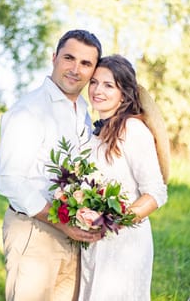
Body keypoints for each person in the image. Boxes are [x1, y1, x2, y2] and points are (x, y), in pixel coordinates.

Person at [0, 29, 103, 301]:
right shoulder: (29, 111)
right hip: (35, 231)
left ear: (93, 71)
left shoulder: (83, 111)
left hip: (71, 234)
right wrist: (63, 223)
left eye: (86, 63)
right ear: (54, 57)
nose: (75, 69)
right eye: (69, 58)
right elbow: (11, 182)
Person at [78, 54, 168, 301]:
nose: (97, 90)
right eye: (94, 82)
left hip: (125, 244)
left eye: (109, 85)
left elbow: (156, 193)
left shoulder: (133, 130)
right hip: (94, 242)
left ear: (125, 94)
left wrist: (109, 220)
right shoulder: (95, 132)